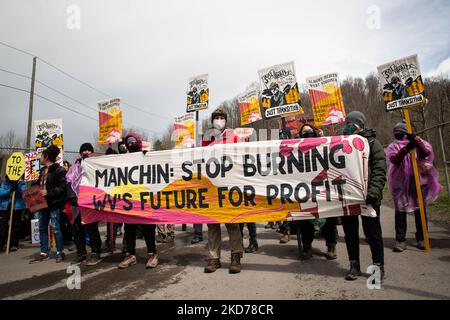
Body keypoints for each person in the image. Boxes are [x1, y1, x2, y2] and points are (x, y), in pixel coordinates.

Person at [341, 111, 386, 281]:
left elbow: (380, 169)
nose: (348, 126)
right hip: (348, 196)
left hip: (369, 196)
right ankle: (354, 266)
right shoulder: (341, 143)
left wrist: (374, 192)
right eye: (347, 123)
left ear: (360, 125)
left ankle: (378, 267)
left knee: (372, 233)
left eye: (351, 123)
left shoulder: (373, 143)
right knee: (350, 232)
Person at [386, 122, 442, 252]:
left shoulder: (418, 142)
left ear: (406, 132)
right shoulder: (393, 146)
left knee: (419, 210)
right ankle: (400, 240)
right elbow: (394, 160)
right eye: (395, 132)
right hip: (400, 182)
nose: (397, 134)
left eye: (400, 131)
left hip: (418, 181)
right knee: (400, 210)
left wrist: (416, 140)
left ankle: (422, 238)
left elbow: (426, 153)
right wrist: (405, 149)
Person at [202, 108, 243, 274]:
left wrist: (246, 142)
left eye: (221, 118)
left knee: (232, 222)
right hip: (211, 186)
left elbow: (243, 154)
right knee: (212, 224)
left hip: (230, 184)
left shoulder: (233, 136)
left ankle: (236, 256)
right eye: (216, 118)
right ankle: (214, 259)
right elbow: (200, 156)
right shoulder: (206, 137)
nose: (219, 120)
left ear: (225, 120)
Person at [296, 123, 338, 260]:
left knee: (329, 219)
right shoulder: (297, 149)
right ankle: (307, 246)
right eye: (304, 132)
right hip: (306, 189)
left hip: (324, 188)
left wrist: (324, 139)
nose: (308, 134)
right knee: (306, 220)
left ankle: (331, 246)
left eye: (310, 131)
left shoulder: (323, 145)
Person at [119, 132, 159, 269]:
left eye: (133, 141)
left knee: (148, 227)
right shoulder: (123, 159)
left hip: (146, 200)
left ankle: (152, 254)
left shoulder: (147, 156)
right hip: (130, 200)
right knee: (129, 228)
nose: (131, 144)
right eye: (128, 142)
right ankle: (130, 255)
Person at [66, 143, 103, 265]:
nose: (86, 152)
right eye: (84, 150)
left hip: (91, 202)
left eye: (89, 150)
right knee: (77, 229)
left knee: (92, 228)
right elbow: (69, 181)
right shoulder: (75, 166)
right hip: (76, 203)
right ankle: (81, 253)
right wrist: (72, 197)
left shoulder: (97, 165)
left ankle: (95, 252)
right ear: (80, 153)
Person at [30, 145, 66, 263]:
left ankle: (60, 252)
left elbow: (62, 188)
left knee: (55, 228)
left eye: (41, 155)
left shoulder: (59, 170)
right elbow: (39, 184)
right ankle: (44, 252)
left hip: (54, 204)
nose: (40, 158)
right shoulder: (42, 171)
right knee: (42, 227)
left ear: (46, 156)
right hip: (42, 204)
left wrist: (48, 192)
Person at [0, 176, 27, 252]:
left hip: (17, 207)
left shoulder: (21, 184)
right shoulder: (4, 184)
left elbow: (23, 194)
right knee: (3, 225)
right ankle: (3, 244)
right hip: (5, 207)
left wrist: (17, 187)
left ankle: (13, 244)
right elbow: (1, 193)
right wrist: (9, 190)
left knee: (15, 226)